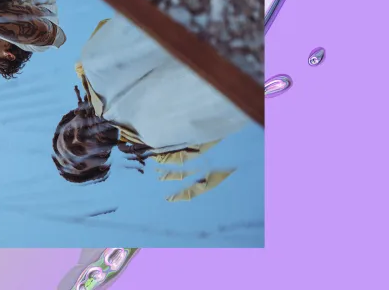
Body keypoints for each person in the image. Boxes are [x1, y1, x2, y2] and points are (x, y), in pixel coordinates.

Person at [51, 15, 250, 197]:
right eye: (79, 157)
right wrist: (159, 151)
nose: (77, 140)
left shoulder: (91, 64)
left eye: (68, 136)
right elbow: (219, 167)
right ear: (102, 161)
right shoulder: (164, 151)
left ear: (72, 115)